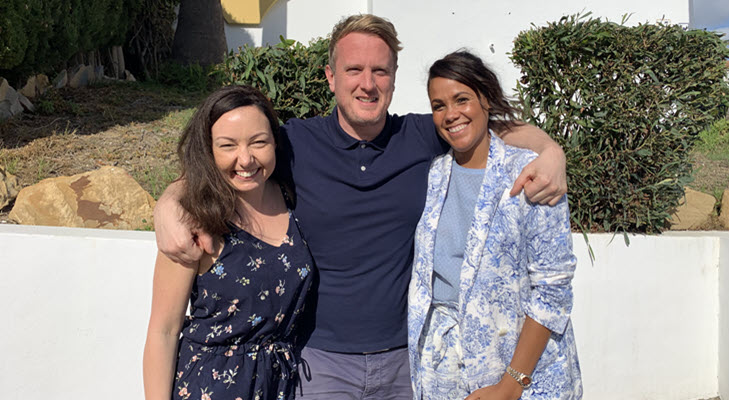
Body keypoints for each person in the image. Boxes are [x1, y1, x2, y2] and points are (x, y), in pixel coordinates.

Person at [154, 14, 568, 399]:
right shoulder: (294, 143)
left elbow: (493, 127)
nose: (367, 84)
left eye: (380, 71)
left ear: (393, 79)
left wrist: (552, 152)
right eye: (354, 70)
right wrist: (169, 204)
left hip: (407, 363)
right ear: (331, 77)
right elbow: (232, 159)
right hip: (320, 365)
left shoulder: (420, 136)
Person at [408, 50, 582, 400]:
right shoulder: (434, 174)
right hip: (443, 374)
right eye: (439, 105)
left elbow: (553, 289)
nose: (451, 114)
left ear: (486, 99)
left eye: (462, 99)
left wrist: (510, 384)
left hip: (521, 375)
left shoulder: (531, 174)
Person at [143, 85, 314, 400]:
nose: (245, 159)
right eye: (227, 145)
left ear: (275, 142)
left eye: (259, 142)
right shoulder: (191, 221)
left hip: (281, 386)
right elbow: (163, 332)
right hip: (211, 387)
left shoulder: (291, 195)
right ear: (208, 150)